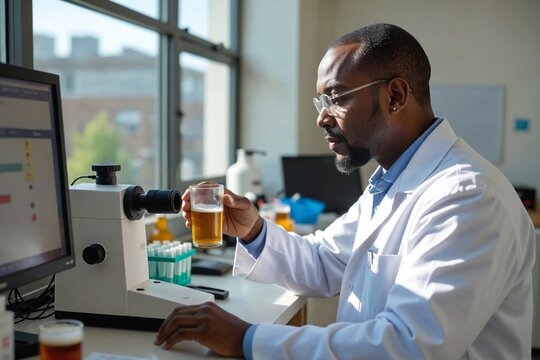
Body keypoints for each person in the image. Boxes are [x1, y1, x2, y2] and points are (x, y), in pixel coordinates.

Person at [155, 23, 535, 359]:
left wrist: (248, 339)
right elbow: (325, 261)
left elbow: (410, 346)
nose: (322, 117)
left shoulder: (467, 196)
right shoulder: (390, 181)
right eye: (321, 101)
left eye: (336, 97)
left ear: (395, 96)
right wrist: (252, 230)